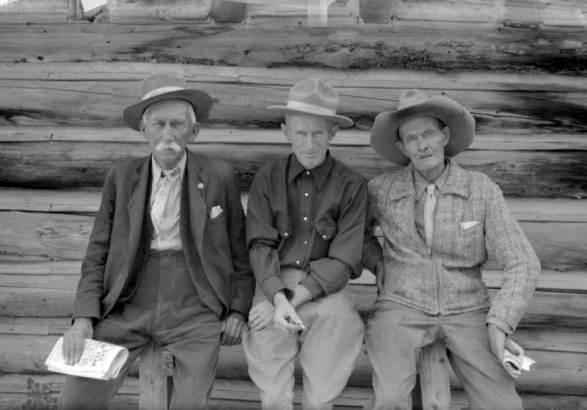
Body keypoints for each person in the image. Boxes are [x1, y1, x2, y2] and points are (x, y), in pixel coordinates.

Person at [58, 73, 255, 410]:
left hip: (196, 305)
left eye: (177, 124)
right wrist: (83, 319)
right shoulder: (121, 178)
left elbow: (239, 249)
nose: (168, 134)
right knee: (76, 400)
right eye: (159, 124)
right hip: (128, 303)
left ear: (193, 131)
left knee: (190, 404)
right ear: (143, 130)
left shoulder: (219, 174)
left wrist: (238, 309)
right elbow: (98, 253)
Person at [362, 89, 541, 410]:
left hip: (468, 309)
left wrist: (500, 321)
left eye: (429, 133)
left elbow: (523, 261)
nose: (423, 144)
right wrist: (377, 262)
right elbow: (357, 232)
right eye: (412, 138)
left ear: (444, 136)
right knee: (389, 399)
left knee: (503, 405)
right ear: (402, 147)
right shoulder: (381, 190)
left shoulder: (480, 189)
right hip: (400, 306)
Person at [242, 78, 367, 410]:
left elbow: (343, 259)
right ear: (286, 131)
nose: (309, 144)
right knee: (272, 391)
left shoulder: (352, 185)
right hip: (274, 283)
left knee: (322, 392)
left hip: (326, 290)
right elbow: (259, 244)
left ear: (333, 134)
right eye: (301, 133)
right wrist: (275, 296)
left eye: (318, 133)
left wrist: (285, 303)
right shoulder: (267, 179)